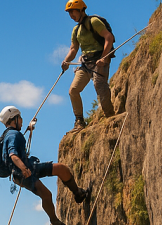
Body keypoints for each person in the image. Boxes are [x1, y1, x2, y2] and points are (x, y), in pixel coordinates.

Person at [0, 105, 89, 225]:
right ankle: (55, 222)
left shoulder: (10, 134)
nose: (22, 120)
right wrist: (23, 168)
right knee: (46, 195)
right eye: (20, 117)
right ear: (14, 119)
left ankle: (78, 193)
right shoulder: (13, 135)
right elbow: (13, 155)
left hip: (29, 168)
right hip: (24, 173)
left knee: (61, 168)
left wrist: (29, 128)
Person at [61, 0, 116, 132]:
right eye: (69, 13)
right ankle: (79, 121)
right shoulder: (76, 30)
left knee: (99, 85)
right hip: (86, 63)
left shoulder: (94, 21)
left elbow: (109, 37)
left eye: (72, 12)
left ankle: (110, 116)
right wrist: (66, 61)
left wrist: (104, 57)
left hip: (100, 59)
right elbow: (73, 49)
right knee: (73, 90)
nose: (71, 15)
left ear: (80, 10)